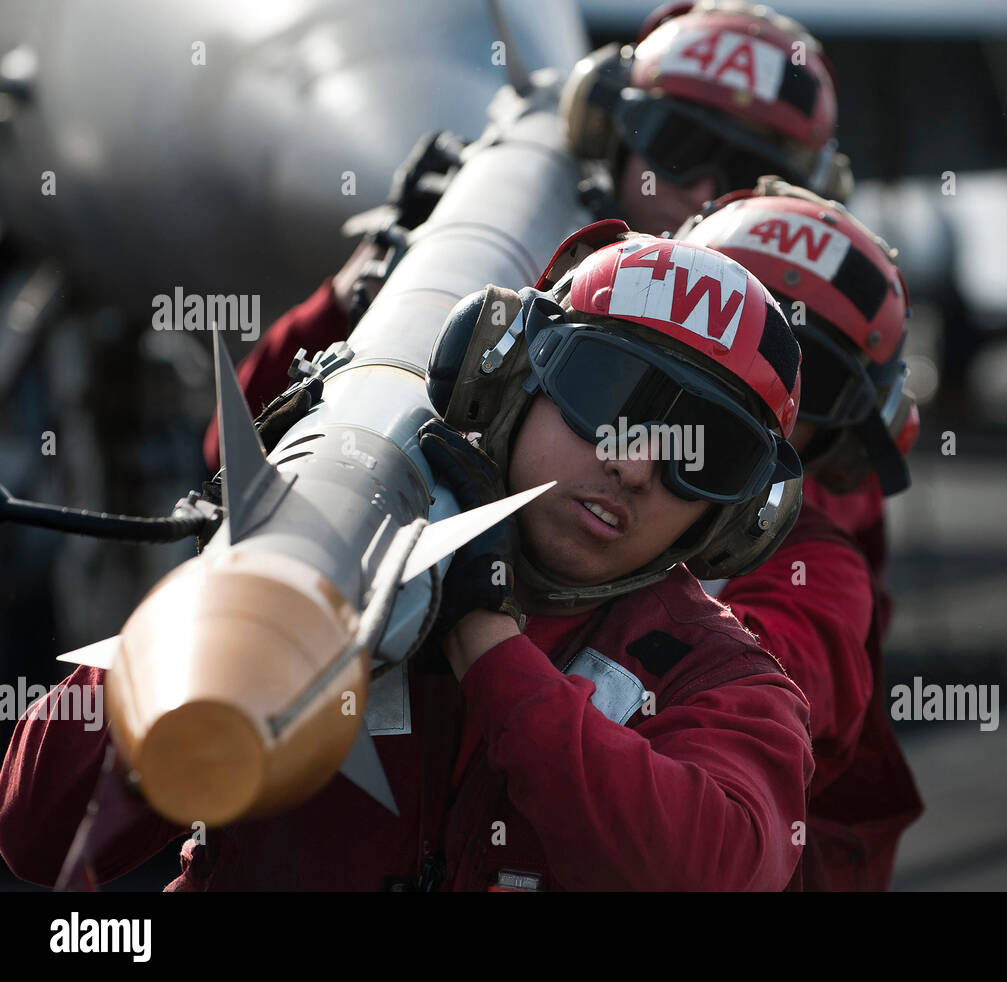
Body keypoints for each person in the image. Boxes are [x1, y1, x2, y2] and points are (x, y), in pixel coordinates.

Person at [0, 228, 815, 891]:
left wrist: (488, 643)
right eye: (606, 397)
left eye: (700, 450)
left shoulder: (723, 681)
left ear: (739, 514)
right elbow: (40, 830)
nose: (634, 464)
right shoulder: (346, 542)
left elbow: (712, 869)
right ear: (509, 379)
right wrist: (242, 590)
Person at [202, 0, 847, 473]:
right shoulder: (543, 272)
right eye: (679, 146)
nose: (706, 191)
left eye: (745, 177)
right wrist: (359, 291)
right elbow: (230, 450)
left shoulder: (810, 382)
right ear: (609, 132)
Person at [676, 179, 923, 889]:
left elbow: (736, 699)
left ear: (844, 432)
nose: (743, 387)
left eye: (798, 374)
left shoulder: (820, 571)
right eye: (713, 338)